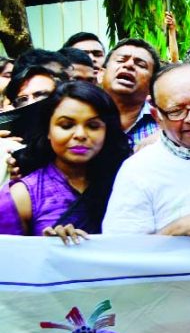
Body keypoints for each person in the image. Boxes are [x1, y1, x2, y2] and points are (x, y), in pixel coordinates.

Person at [103, 63, 190, 245]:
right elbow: (117, 252)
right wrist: (177, 228)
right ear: (157, 116)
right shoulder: (137, 171)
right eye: (176, 111)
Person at [0, 82, 131, 242]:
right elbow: (9, 259)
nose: (80, 135)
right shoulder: (22, 196)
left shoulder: (127, 182)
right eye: (66, 125)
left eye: (93, 126)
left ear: (107, 131)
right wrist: (50, 246)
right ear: (48, 130)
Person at [101, 39, 161, 150]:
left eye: (141, 65)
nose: (129, 65)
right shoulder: (81, 116)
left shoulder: (164, 128)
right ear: (101, 74)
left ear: (153, 85)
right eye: (120, 60)